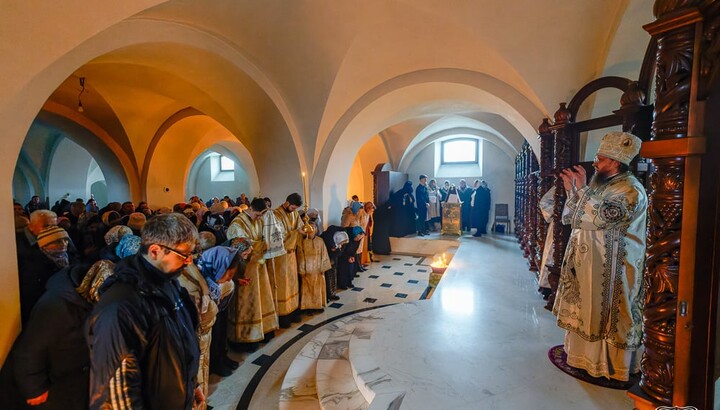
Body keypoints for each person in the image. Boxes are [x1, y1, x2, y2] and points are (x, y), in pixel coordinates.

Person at [553, 131, 647, 382]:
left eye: (599, 158)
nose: (595, 163)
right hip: (590, 265)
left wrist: (581, 188)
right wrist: (571, 190)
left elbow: (605, 216)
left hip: (614, 268)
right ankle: (581, 357)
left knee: (611, 314)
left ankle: (610, 366)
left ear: (615, 162)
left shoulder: (631, 189)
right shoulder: (602, 184)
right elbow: (572, 219)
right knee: (587, 309)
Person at [86, 213, 203, 409]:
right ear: (155, 251)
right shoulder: (120, 307)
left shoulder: (168, 283)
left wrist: (191, 384)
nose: (189, 261)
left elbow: (180, 341)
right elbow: (116, 396)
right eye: (184, 254)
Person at [225, 198, 278, 351]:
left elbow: (263, 239)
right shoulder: (237, 224)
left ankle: (263, 330)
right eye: (259, 215)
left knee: (261, 298)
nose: (260, 218)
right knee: (247, 302)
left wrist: (263, 243)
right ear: (252, 209)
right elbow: (242, 247)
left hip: (258, 266)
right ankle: (246, 337)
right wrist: (262, 244)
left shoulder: (258, 220)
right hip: (244, 269)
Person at [267, 193, 303, 328]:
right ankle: (283, 316)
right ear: (287, 203)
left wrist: (304, 230)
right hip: (280, 257)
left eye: (295, 209)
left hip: (291, 255)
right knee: (283, 286)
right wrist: (297, 233)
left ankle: (293, 311)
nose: (294, 210)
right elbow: (278, 236)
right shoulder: (275, 214)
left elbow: (299, 226)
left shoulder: (294, 214)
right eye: (293, 207)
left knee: (293, 284)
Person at [297, 221, 331, 312]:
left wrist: (323, 268)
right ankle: (307, 307)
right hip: (307, 270)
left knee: (318, 288)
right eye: (309, 228)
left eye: (313, 228)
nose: (311, 230)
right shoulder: (302, 242)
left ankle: (318, 305)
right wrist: (302, 270)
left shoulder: (320, 241)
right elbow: (300, 257)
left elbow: (324, 255)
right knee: (307, 288)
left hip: (318, 269)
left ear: (316, 229)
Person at [537, 185, 556, 300]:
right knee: (551, 254)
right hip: (559, 225)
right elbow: (544, 202)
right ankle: (548, 286)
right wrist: (559, 213)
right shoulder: (560, 184)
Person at [319, 226, 347, 302]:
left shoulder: (336, 237)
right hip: (325, 261)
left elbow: (339, 252)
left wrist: (338, 249)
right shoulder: (327, 239)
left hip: (332, 260)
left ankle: (332, 294)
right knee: (327, 278)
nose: (341, 244)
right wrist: (335, 250)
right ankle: (327, 296)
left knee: (333, 276)